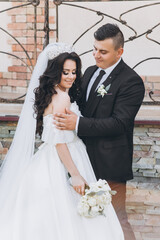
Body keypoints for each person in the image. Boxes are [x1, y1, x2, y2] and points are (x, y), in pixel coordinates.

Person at [0, 43, 124, 240]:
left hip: (53, 155)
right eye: (65, 72)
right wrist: (75, 174)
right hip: (64, 156)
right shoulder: (61, 98)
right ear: (55, 72)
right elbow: (58, 140)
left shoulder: (53, 94)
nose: (70, 76)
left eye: (74, 72)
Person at [54, 24, 145, 240]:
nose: (96, 55)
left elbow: (119, 123)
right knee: (86, 221)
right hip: (82, 160)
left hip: (110, 165)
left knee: (117, 219)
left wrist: (77, 124)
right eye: (94, 49)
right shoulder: (91, 71)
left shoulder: (131, 81)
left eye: (103, 51)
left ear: (119, 52)